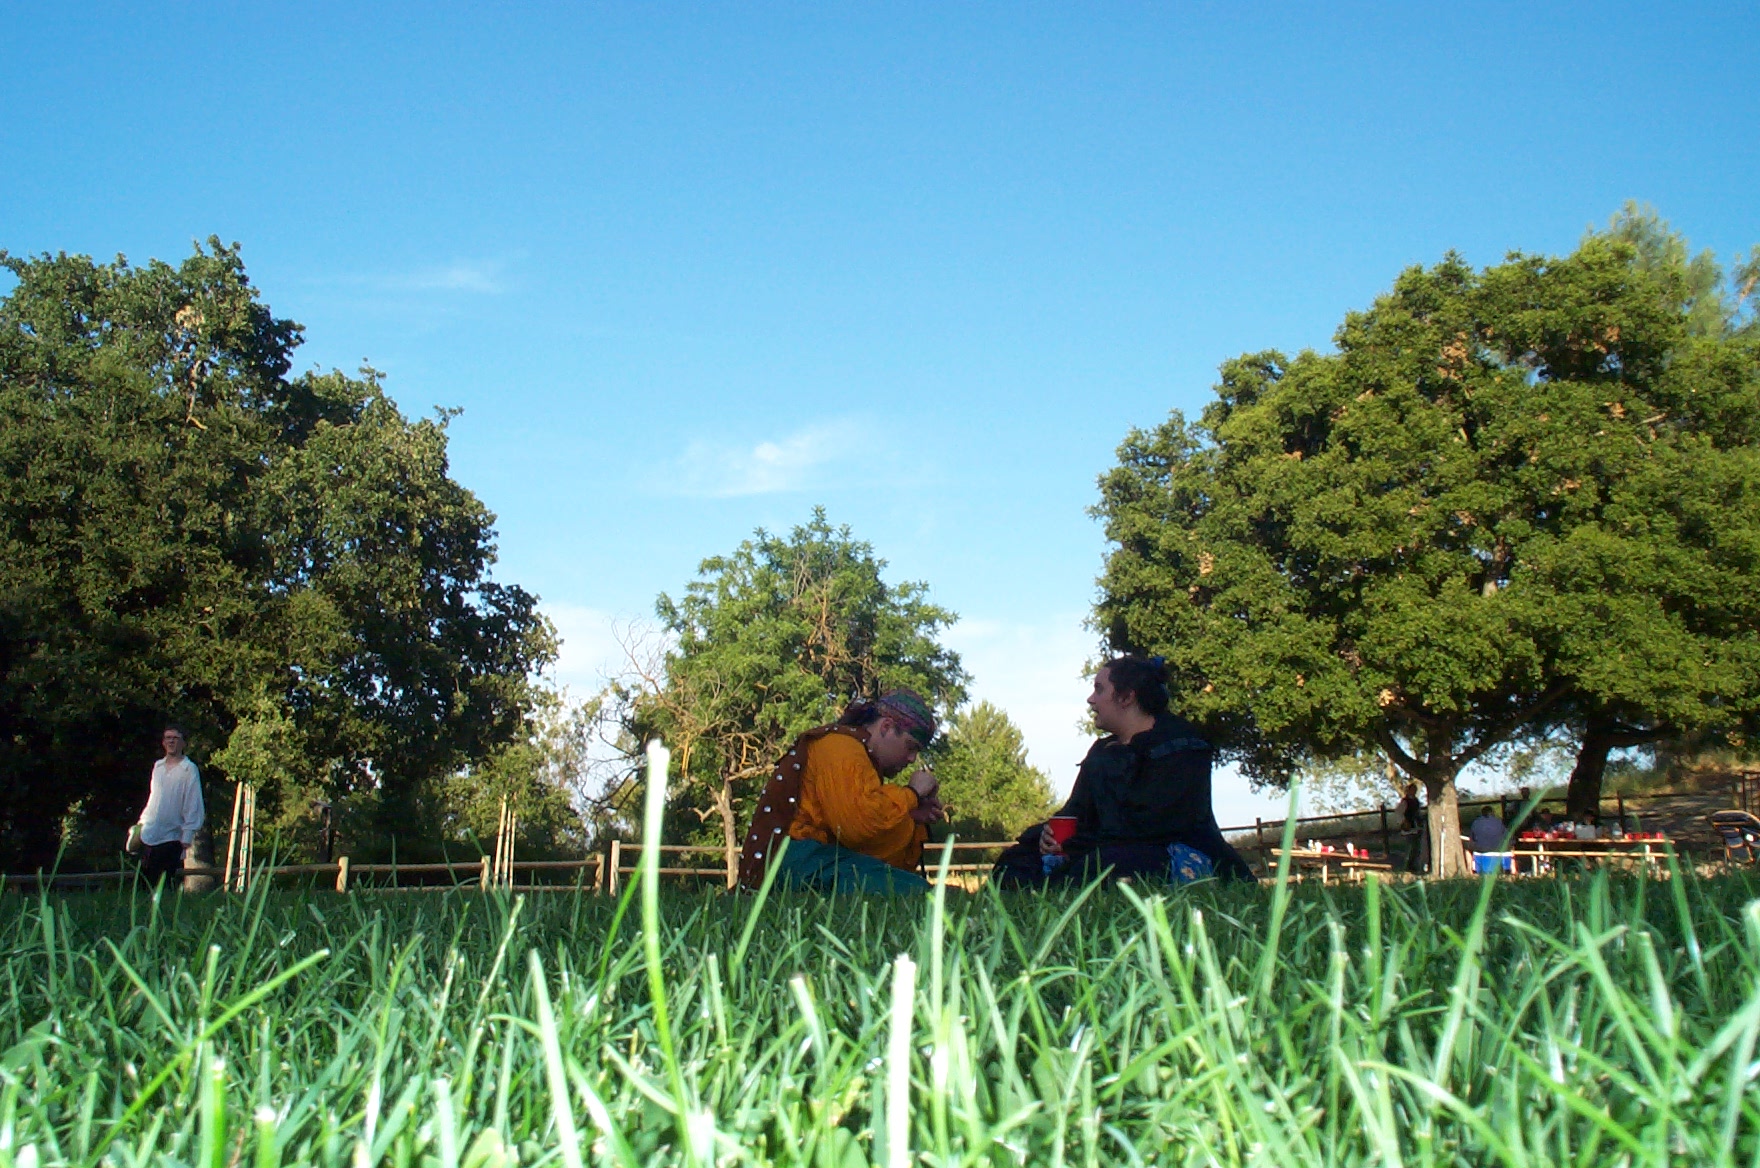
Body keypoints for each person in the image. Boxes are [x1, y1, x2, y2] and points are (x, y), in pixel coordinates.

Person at [994, 655, 1254, 886]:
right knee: (1014, 860)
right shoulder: (1101, 752)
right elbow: (1077, 811)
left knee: (1110, 864)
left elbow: (1156, 824)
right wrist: (1048, 835)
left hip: (1163, 848)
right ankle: (1054, 884)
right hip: (1099, 847)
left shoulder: (1179, 746)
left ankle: (1059, 884)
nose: (1091, 699)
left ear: (1127, 697)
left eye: (1099, 689)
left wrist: (1083, 842)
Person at [738, 690, 945, 894]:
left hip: (809, 859)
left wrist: (910, 816)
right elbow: (860, 825)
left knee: (904, 884)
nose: (911, 759)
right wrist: (912, 793)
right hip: (790, 861)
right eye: (910, 747)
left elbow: (865, 843)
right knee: (913, 890)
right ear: (886, 727)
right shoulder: (840, 746)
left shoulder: (858, 754)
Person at [133, 725, 204, 885]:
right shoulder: (158, 767)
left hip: (172, 835)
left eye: (175, 738)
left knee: (164, 883)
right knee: (144, 884)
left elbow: (193, 802)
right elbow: (154, 798)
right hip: (150, 832)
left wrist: (188, 834)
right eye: (168, 738)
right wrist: (141, 823)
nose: (171, 741)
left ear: (183, 743)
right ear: (163, 742)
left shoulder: (189, 769)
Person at [1398, 782, 1428, 874]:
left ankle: (1414, 866)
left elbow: (1417, 812)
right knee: (1409, 848)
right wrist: (1404, 822)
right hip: (1408, 827)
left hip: (1416, 826)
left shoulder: (1416, 801)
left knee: (1417, 848)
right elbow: (1398, 813)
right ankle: (1407, 867)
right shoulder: (1405, 801)